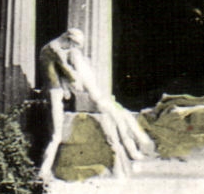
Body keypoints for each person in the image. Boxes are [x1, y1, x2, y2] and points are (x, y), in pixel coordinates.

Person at [37, 28, 156, 181]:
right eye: (73, 46)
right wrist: (76, 81)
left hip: (57, 92)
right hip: (55, 93)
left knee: (57, 136)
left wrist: (72, 83)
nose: (72, 49)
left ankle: (44, 170)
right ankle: (43, 171)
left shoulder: (53, 49)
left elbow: (64, 74)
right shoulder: (55, 49)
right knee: (56, 136)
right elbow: (68, 73)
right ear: (68, 40)